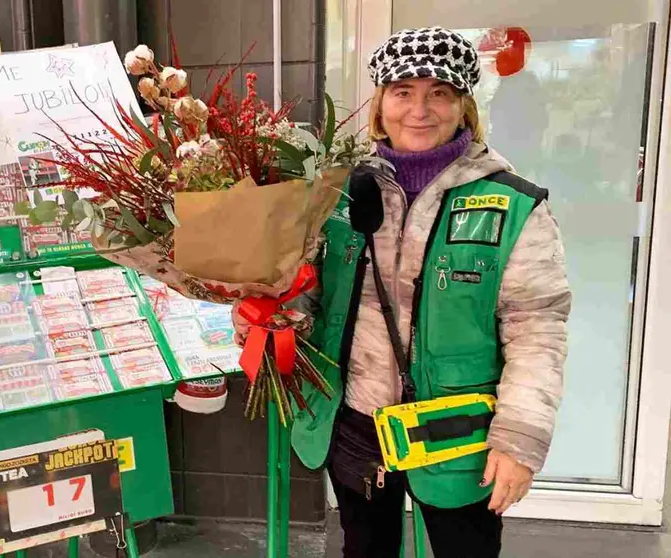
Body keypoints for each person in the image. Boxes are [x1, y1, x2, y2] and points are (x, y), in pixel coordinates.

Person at [234, 27, 571, 558]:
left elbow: (538, 333)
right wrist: (267, 312)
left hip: (460, 433)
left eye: (439, 92)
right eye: (403, 92)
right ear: (380, 103)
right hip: (357, 424)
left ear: (463, 106)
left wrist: (520, 438)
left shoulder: (513, 206)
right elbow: (309, 294)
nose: (420, 109)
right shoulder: (338, 191)